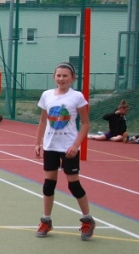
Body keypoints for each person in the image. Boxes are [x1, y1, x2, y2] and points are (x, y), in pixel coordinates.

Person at [35, 62, 95, 240]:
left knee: (73, 184)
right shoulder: (47, 95)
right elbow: (43, 122)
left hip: (68, 147)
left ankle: (87, 220)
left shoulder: (76, 97)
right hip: (51, 146)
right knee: (48, 184)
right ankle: (46, 220)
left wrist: (76, 145)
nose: (61, 79)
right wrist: (38, 143)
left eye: (65, 76)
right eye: (58, 75)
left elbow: (85, 124)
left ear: (72, 78)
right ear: (54, 77)